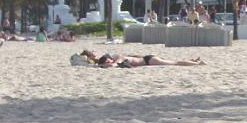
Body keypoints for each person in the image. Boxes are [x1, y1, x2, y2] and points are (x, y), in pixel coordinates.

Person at [75, 49, 205, 68]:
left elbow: (115, 64)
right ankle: (194, 61)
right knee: (171, 62)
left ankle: (197, 63)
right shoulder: (115, 59)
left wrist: (99, 66)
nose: (109, 62)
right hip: (147, 60)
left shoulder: (117, 58)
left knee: (174, 63)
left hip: (148, 60)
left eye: (108, 61)